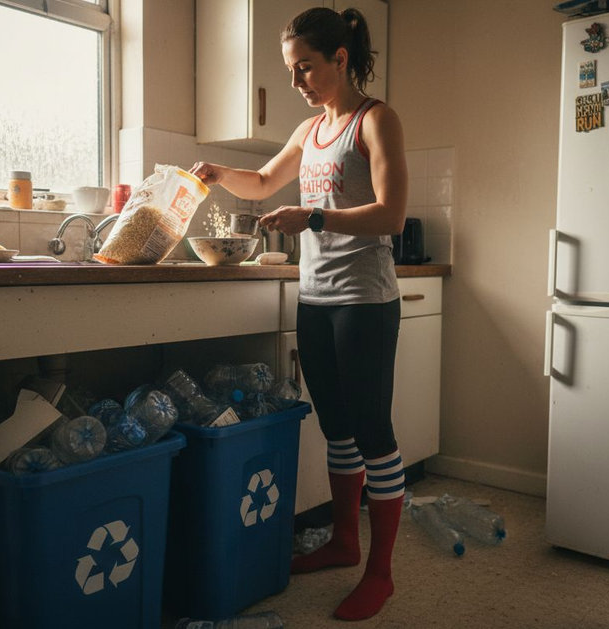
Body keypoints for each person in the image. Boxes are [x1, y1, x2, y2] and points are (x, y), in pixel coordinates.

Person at [189, 6, 408, 622]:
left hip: (364, 300)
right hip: (315, 296)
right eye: (290, 71)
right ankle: (343, 541)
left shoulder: (375, 120)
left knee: (372, 430)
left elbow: (391, 214)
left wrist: (311, 217)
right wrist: (217, 172)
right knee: (335, 426)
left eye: (304, 68)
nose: (296, 82)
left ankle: (381, 572)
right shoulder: (309, 131)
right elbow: (261, 182)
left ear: (340, 58)